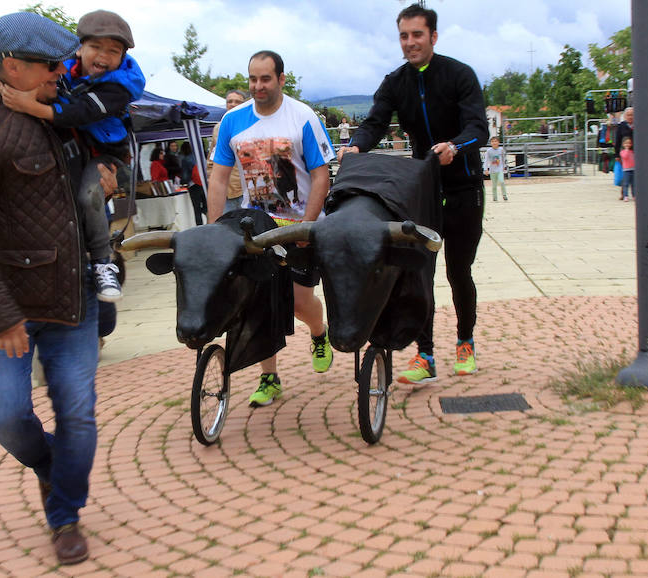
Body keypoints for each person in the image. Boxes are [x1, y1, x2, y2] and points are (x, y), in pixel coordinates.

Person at [0, 12, 118, 565]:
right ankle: (50, 467)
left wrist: (111, 167)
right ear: (9, 66)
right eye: (47, 64)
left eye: (62, 61)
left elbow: (116, 135)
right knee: (5, 414)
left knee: (79, 415)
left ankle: (64, 513)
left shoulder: (63, 108)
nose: (59, 71)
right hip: (6, 302)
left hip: (73, 295)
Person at [339, 4, 488, 382]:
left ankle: (465, 342)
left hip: (464, 190)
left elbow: (478, 128)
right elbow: (374, 122)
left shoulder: (459, 75)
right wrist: (356, 147)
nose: (410, 43)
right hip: (424, 191)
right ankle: (425, 356)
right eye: (404, 36)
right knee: (421, 274)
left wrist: (455, 146)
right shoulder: (395, 82)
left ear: (433, 37)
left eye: (417, 35)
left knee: (458, 272)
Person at [207, 50, 335, 407]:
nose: (258, 86)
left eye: (265, 79)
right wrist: (215, 229)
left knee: (297, 302)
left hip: (299, 225)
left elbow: (320, 173)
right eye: (252, 79)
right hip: (256, 226)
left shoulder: (302, 117)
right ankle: (269, 377)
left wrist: (308, 226)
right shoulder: (233, 121)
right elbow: (218, 179)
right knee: (259, 303)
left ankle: (319, 332)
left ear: (280, 79)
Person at [0, 9, 145, 304]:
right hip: (79, 150)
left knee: (88, 195)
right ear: (80, 48)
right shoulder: (64, 69)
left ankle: (103, 261)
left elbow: (81, 111)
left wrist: (31, 107)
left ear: (123, 57)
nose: (102, 56)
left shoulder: (120, 86)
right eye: (95, 47)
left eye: (113, 51)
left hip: (105, 155)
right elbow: (27, 75)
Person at [207, 88, 248, 213]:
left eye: (237, 102)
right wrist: (211, 177)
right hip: (224, 191)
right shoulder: (218, 128)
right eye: (230, 101)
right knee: (226, 229)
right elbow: (212, 156)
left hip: (246, 190)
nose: (233, 104)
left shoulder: (250, 126)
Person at [484, 136, 507, 202]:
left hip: (499, 169)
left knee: (501, 181)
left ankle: (504, 195)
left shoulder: (501, 150)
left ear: (498, 142)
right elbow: (486, 160)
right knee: (494, 185)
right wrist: (486, 169)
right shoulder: (489, 151)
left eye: (495, 141)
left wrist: (504, 166)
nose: (494, 143)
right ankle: (495, 197)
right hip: (492, 170)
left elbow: (503, 158)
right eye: (493, 141)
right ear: (491, 143)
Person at [619, 136, 635, 202]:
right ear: (623, 144)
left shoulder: (632, 152)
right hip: (626, 170)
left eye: (629, 143)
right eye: (626, 143)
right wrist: (626, 150)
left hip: (633, 169)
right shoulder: (622, 152)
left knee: (634, 184)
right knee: (626, 184)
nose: (627, 145)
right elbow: (625, 156)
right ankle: (626, 196)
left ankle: (634, 195)